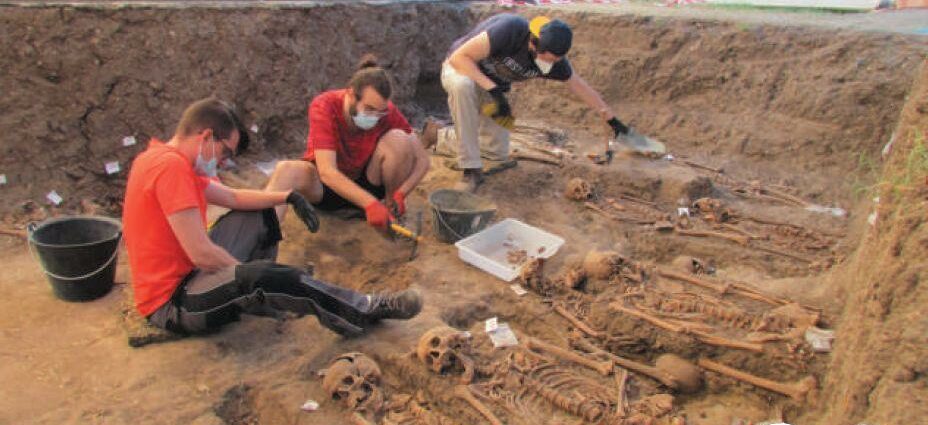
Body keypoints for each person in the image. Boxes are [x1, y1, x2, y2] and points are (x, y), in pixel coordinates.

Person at [122, 97, 422, 337]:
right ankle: (362, 308)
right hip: (174, 301)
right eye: (225, 152)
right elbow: (201, 254)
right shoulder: (170, 168)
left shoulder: (167, 160)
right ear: (207, 136)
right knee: (266, 276)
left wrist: (286, 197)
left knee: (259, 214)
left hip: (190, 276)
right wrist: (253, 277)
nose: (225, 162)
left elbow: (232, 197)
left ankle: (266, 288)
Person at [426, 14, 665, 192]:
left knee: (497, 152)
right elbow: (459, 58)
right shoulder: (509, 30)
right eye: (546, 58)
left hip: (492, 89)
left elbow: (580, 86)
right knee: (463, 87)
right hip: (462, 70)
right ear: (533, 43)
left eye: (556, 60)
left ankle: (438, 135)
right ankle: (471, 170)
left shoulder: (556, 62)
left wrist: (613, 121)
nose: (549, 65)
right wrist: (494, 90)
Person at [267, 55, 431, 231]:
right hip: (327, 190)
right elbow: (327, 172)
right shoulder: (325, 106)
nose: (374, 117)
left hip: (368, 184)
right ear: (351, 94)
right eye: (369, 109)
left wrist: (400, 193)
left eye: (380, 112)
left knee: (399, 139)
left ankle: (391, 210)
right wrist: (370, 204)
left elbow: (423, 161)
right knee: (286, 170)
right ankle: (264, 236)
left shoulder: (385, 110)